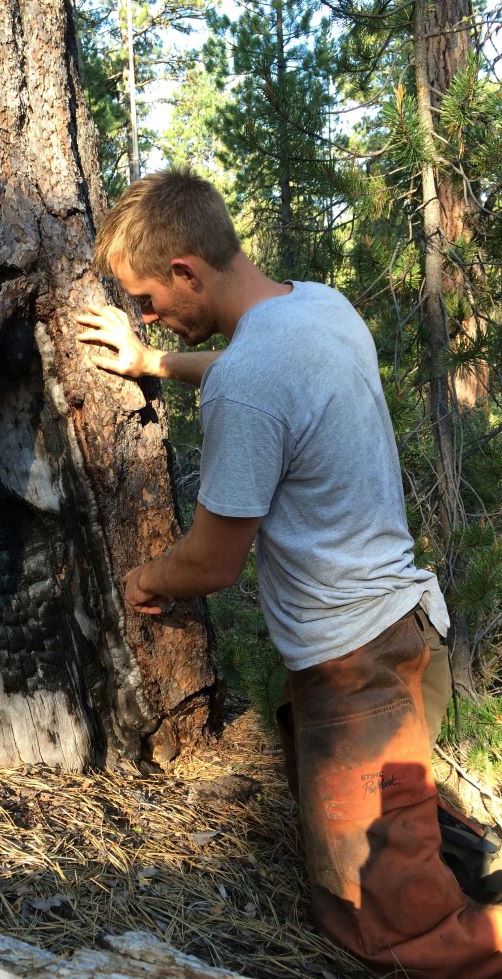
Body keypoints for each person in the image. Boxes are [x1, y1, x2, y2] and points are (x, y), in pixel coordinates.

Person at [76, 168, 502, 977]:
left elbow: (212, 562)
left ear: (186, 273)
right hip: (405, 631)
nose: (144, 315)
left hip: (359, 671)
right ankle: (457, 858)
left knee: (384, 935)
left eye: (147, 300)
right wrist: (156, 363)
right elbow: (265, 376)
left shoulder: (249, 379)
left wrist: (147, 579)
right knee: (381, 859)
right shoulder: (317, 306)